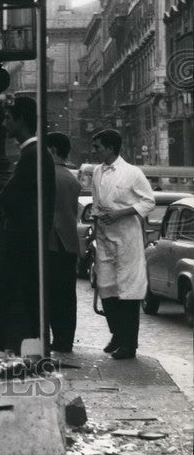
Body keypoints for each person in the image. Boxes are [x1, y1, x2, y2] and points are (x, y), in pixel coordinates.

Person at [0, 96, 55, 355]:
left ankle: (24, 348)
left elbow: (9, 197)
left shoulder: (33, 154)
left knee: (14, 293)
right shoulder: (33, 153)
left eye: (8, 118)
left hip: (25, 242)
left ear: (21, 119)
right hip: (30, 240)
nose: (4, 123)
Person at [90, 129, 155, 360]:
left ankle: (130, 344)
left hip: (127, 238)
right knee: (106, 287)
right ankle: (117, 334)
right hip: (104, 236)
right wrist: (95, 223)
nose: (94, 151)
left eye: (97, 147)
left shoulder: (132, 173)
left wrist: (121, 213)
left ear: (109, 148)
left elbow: (149, 201)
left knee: (129, 289)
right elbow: (97, 202)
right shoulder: (97, 172)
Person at [46, 131, 80, 354]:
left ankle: (56, 339)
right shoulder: (71, 178)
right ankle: (65, 340)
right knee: (67, 295)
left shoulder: (49, 175)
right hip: (69, 243)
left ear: (53, 150)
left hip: (52, 242)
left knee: (51, 294)